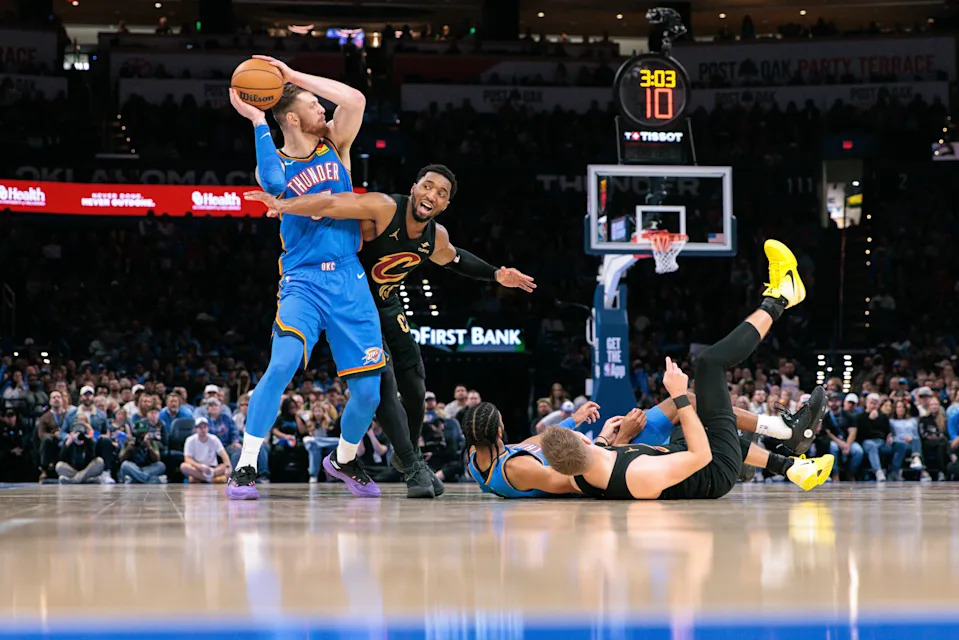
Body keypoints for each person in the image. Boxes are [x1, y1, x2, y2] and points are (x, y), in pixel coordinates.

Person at [244, 164, 535, 498]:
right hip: (353, 301)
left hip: (387, 304)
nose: (432, 195)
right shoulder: (384, 207)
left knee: (415, 382)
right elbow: (329, 204)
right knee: (383, 381)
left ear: (444, 206)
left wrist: (496, 274)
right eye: (428, 186)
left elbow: (455, 259)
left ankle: (406, 453)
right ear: (414, 188)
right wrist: (283, 205)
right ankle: (412, 463)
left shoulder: (434, 236)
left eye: (441, 193)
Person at [536, 240, 834, 499]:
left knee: (691, 410)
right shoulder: (637, 474)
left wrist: (606, 437)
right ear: (583, 440)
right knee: (708, 365)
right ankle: (781, 297)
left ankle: (791, 463)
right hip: (715, 467)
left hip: (683, 461)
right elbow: (700, 455)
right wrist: (678, 395)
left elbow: (598, 455)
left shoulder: (581, 471)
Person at [226, 55, 386, 500]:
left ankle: (346, 459)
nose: (324, 111)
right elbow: (276, 186)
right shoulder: (272, 164)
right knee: (280, 366)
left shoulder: (336, 145)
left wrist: (292, 77)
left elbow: (354, 98)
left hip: (351, 281)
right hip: (304, 281)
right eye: (315, 106)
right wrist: (258, 118)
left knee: (368, 393)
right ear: (292, 117)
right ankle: (244, 467)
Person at [180, 417, 232, 483]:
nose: (203, 430)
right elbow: (187, 459)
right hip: (198, 468)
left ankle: (202, 479)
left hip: (213, 469)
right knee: (184, 466)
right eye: (200, 428)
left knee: (224, 467)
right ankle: (211, 480)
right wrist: (200, 467)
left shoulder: (214, 439)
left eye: (205, 427)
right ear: (196, 429)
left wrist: (227, 467)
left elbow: (223, 454)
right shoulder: (190, 440)